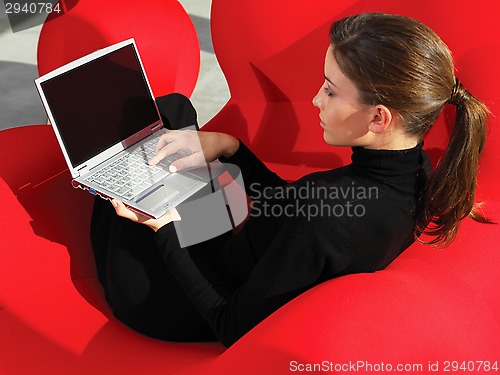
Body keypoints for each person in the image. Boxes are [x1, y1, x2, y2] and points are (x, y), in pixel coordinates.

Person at [90, 13, 490, 348]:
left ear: (378, 117)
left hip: (165, 302)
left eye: (331, 92)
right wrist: (230, 147)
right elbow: (289, 210)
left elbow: (230, 324)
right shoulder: (417, 173)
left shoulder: (322, 213)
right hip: (229, 249)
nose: (316, 99)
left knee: (128, 141)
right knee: (172, 111)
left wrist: (165, 228)